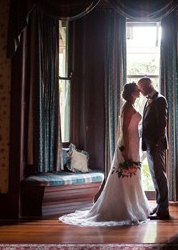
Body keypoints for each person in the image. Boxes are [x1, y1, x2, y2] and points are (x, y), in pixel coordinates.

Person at [59, 82, 151, 226]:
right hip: (128, 145)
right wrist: (126, 150)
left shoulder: (130, 107)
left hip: (133, 144)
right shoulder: (127, 108)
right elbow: (124, 131)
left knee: (132, 176)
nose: (139, 91)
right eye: (137, 90)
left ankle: (134, 205)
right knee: (125, 176)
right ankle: (125, 208)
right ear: (132, 93)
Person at [138, 77, 169, 220]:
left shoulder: (160, 99)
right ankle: (159, 204)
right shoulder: (148, 100)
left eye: (141, 87)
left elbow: (162, 123)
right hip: (149, 144)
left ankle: (164, 210)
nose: (140, 90)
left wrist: (157, 143)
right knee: (155, 176)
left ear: (148, 85)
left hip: (156, 145)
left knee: (160, 175)